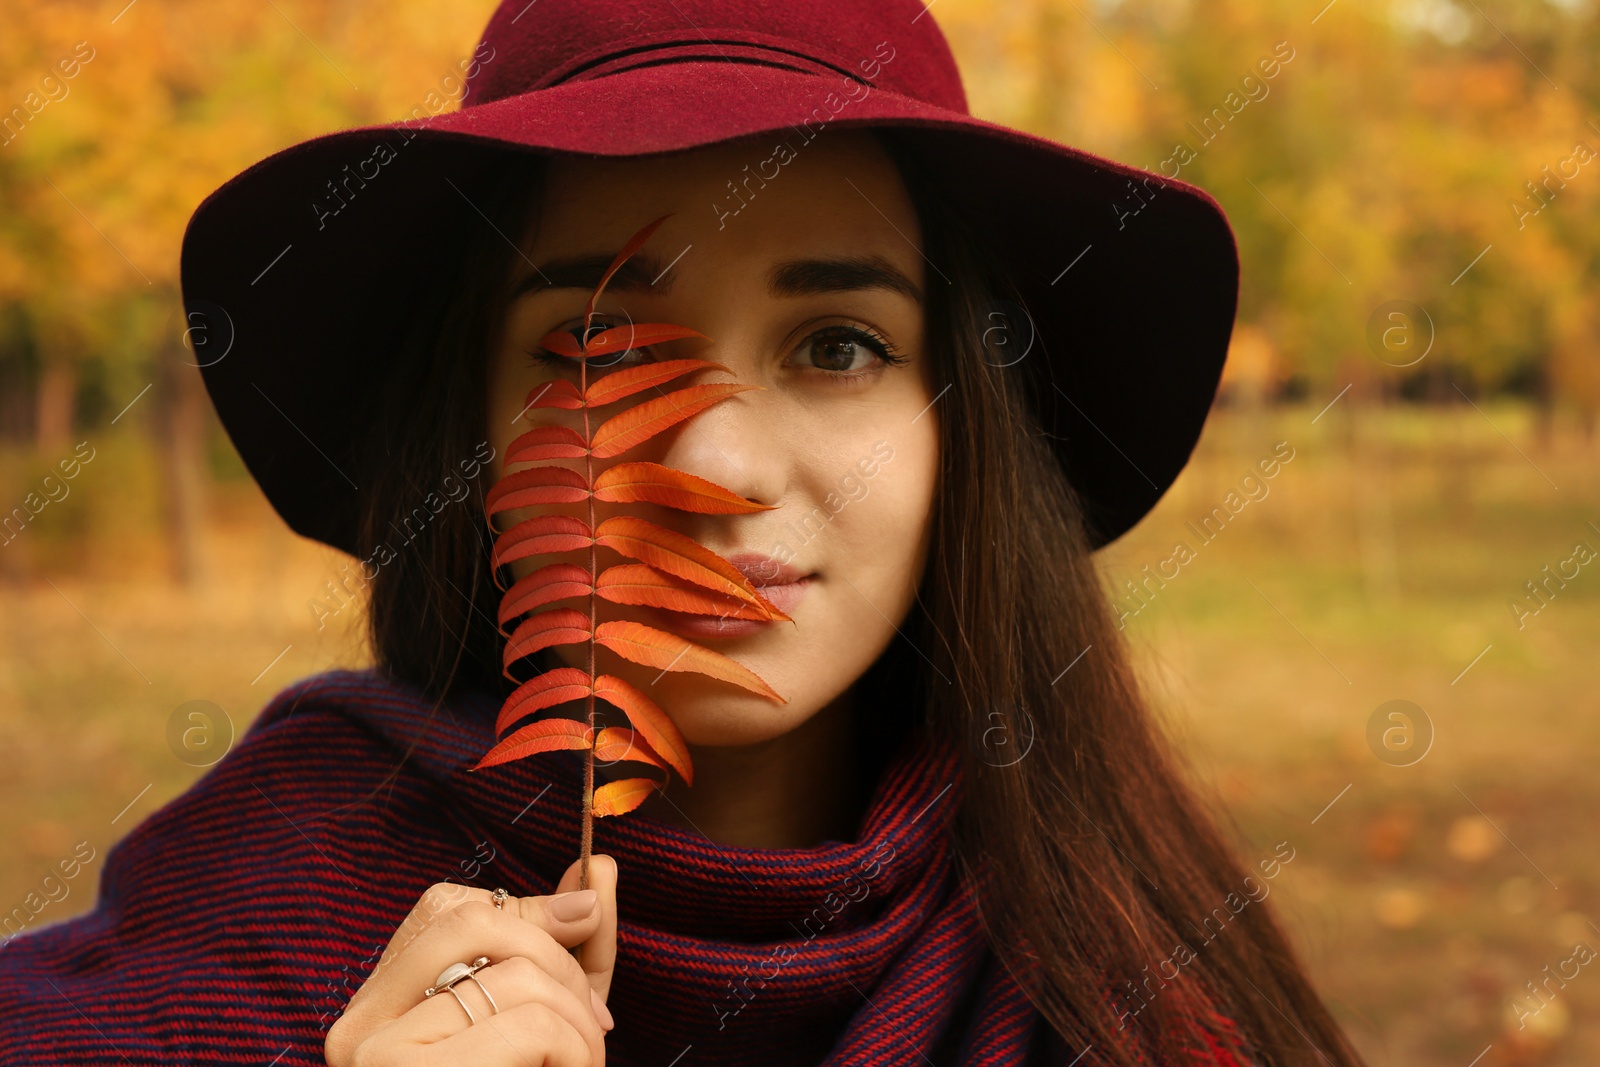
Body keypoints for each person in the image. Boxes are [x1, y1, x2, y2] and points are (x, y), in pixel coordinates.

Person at [0, 1, 1367, 1064]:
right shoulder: (246, 927)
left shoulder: (1120, 962)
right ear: (469, 425)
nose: (714, 462)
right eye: (596, 345)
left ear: (968, 427)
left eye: (837, 345)